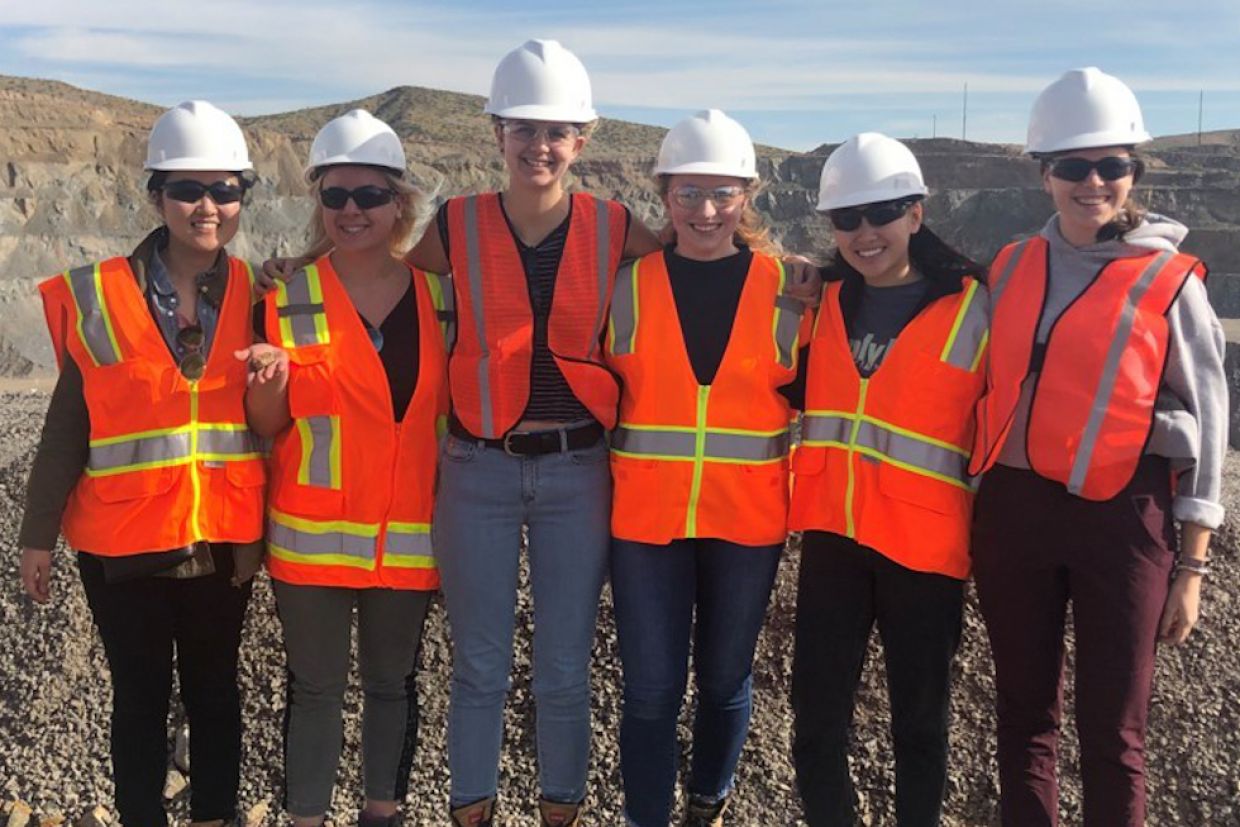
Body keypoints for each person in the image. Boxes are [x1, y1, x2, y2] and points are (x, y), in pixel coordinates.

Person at [392, 39, 662, 827]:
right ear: (497, 135)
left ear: (583, 139)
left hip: (578, 470)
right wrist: (293, 263)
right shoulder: (457, 224)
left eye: (556, 132)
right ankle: (471, 811)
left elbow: (705, 257)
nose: (538, 146)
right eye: (523, 129)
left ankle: (558, 813)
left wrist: (803, 269)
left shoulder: (616, 226)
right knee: (478, 663)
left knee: (563, 668)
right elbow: (377, 274)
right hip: (476, 469)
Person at [968, 68, 1226, 827]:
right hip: (1014, 516)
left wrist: (1193, 566)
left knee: (1115, 733)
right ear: (1044, 173)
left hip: (1124, 521)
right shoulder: (1011, 264)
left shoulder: (1171, 280)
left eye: (1112, 165)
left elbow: (1209, 424)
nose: (1094, 182)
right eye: (1074, 166)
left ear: (1133, 173)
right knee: (1022, 720)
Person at [18, 100, 265, 827]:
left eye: (225, 189)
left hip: (221, 539)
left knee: (217, 692)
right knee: (140, 695)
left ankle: (213, 815)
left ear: (244, 197)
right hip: (121, 546)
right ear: (156, 195)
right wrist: (37, 534)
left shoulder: (265, 292)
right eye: (188, 189)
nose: (207, 206)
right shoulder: (98, 296)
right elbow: (68, 423)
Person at [239, 109, 451, 827]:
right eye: (335, 196)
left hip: (410, 534)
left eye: (369, 196)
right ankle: (306, 817)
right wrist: (267, 391)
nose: (352, 211)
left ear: (400, 201)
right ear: (317, 202)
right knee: (316, 688)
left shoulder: (442, 300)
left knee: (394, 684)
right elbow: (269, 426)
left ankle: (382, 814)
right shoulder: (285, 296)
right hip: (311, 538)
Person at [604, 109, 810, 827]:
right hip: (644, 522)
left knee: (724, 680)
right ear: (664, 196)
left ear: (748, 195)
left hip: (748, 522)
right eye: (688, 194)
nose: (706, 210)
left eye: (722, 193)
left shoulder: (791, 288)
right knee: (652, 689)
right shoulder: (626, 285)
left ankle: (707, 801)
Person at [788, 133, 990, 826]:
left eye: (883, 213)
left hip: (925, 553)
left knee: (921, 731)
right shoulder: (824, 301)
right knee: (815, 724)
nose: (865, 233)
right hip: (834, 542)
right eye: (847, 219)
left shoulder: (975, 306)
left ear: (917, 212)